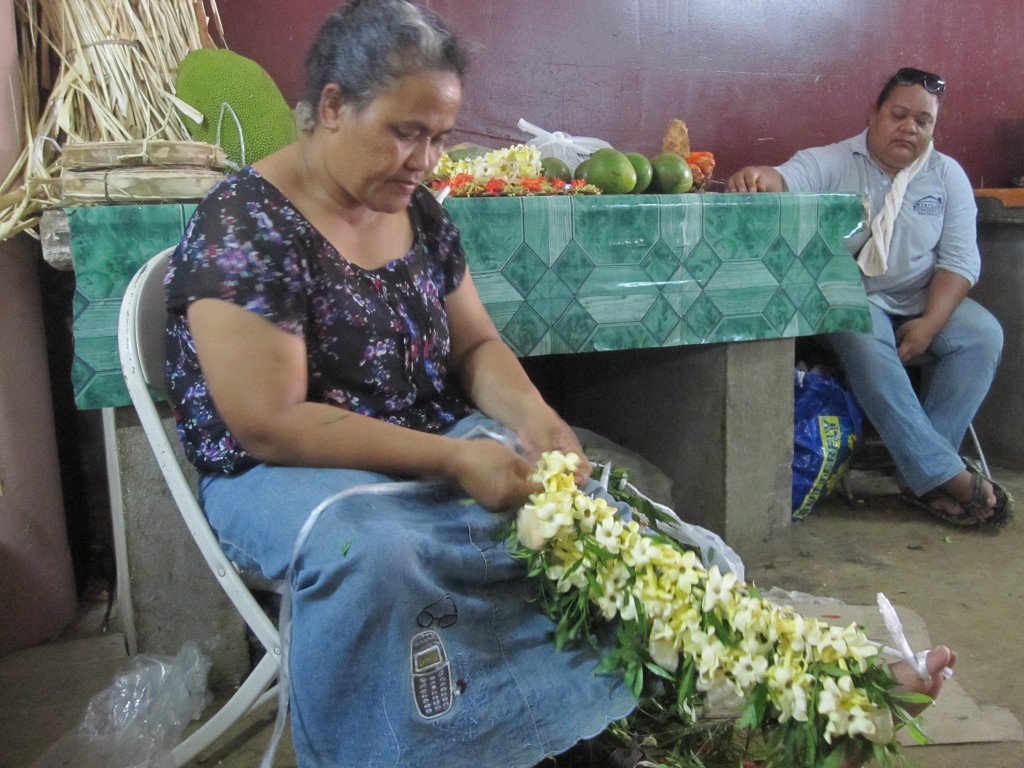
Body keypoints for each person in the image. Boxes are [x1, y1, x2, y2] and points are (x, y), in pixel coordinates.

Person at [164, 7, 957, 762]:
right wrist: (453, 462)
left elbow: (474, 342)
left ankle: (813, 689)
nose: (425, 162)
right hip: (285, 471)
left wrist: (535, 417)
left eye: (438, 138)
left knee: (598, 521)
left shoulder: (418, 213)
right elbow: (267, 421)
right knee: (386, 557)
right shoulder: (246, 224)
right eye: (405, 134)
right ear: (332, 106)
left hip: (425, 436)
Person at [726, 67, 1013, 529]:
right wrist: (756, 176)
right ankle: (944, 475)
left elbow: (960, 262)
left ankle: (922, 471)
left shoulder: (946, 176)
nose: (910, 128)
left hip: (921, 297)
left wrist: (930, 325)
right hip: (852, 296)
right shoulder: (836, 161)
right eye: (899, 114)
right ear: (875, 115)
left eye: (923, 121)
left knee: (982, 334)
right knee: (862, 335)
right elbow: (785, 177)